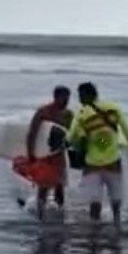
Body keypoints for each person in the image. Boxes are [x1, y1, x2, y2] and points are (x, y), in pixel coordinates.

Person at [67, 82, 128, 228]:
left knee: (95, 200)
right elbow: (127, 129)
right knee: (116, 197)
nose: (79, 99)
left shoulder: (81, 114)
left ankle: (94, 228)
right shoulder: (113, 109)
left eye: (80, 95)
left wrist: (74, 144)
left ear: (86, 95)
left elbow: (72, 138)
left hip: (92, 164)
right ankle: (117, 222)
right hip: (113, 161)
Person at [25, 86, 73, 220]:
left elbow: (72, 134)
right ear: (55, 97)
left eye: (68, 99)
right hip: (44, 154)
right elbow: (32, 134)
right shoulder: (43, 112)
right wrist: (31, 154)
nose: (66, 102)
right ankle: (40, 214)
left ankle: (60, 213)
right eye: (64, 98)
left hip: (59, 154)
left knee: (60, 185)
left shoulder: (68, 114)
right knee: (44, 186)